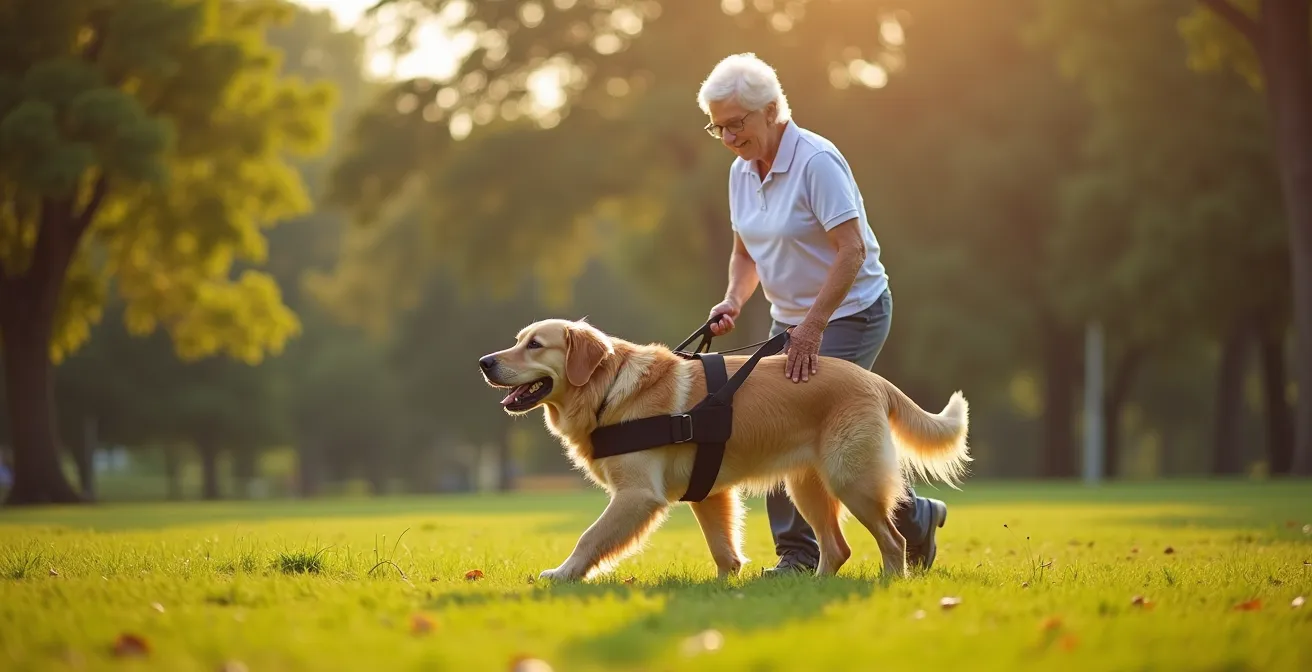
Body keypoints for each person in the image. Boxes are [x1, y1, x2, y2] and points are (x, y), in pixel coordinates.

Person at [696, 53, 948, 575]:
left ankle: (798, 554)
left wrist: (812, 328)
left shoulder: (815, 161)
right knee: (780, 426)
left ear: (771, 110)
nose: (727, 137)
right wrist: (734, 300)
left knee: (798, 422)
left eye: (735, 124)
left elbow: (851, 250)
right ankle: (915, 516)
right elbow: (747, 253)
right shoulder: (740, 171)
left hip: (852, 311)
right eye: (717, 126)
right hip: (788, 319)